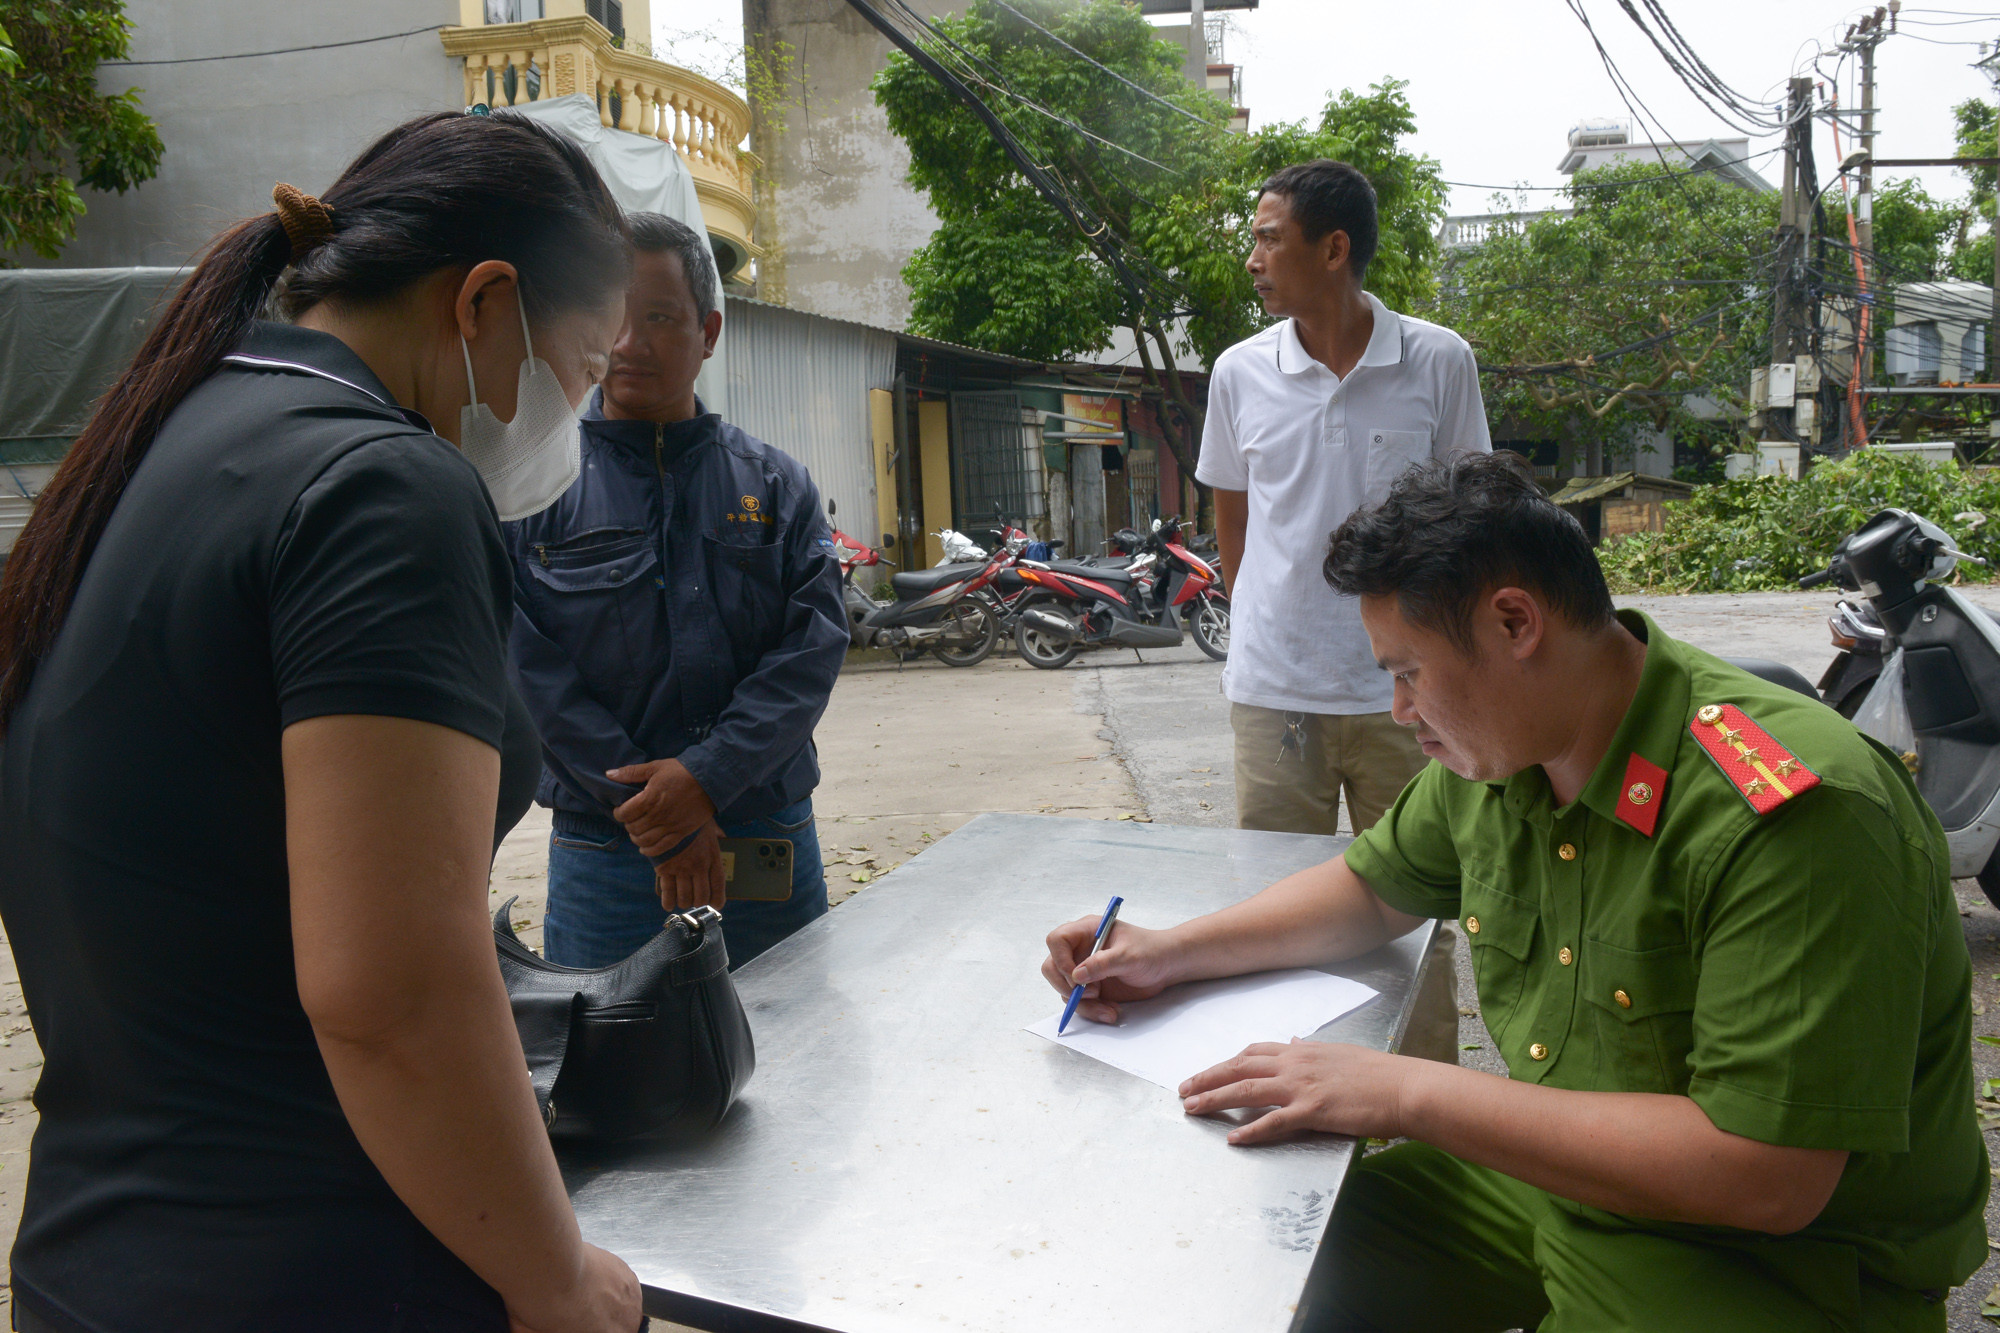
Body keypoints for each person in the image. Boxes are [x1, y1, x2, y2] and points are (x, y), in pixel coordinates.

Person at [1042, 453, 1988, 1331]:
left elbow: (1765, 1176)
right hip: (1554, 1180)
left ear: (1514, 622)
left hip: (1773, 1263)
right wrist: (1172, 951)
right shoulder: (1500, 751)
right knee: (1249, 1271)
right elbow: (1375, 890)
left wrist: (1407, 1090)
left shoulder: (1792, 811)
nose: (1401, 709)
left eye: (1409, 673)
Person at [0, 112, 645, 1332]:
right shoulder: (383, 488)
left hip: (99, 1255)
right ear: (484, 304)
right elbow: (389, 993)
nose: (580, 414)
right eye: (584, 366)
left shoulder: (154, 441)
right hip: (312, 1270)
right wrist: (555, 1278)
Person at [1193, 158, 1490, 1064]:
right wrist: (1269, 628)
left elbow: (1467, 513)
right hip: (1277, 696)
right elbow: (1233, 525)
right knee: (1271, 910)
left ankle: (1422, 1096)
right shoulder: (1241, 373)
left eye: (1267, 238)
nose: (1253, 258)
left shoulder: (1436, 360)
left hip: (1407, 698)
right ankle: (1283, 1072)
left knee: (1416, 912)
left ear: (1333, 248)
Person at [507, 211, 848, 971]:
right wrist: (659, 815)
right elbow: (525, 667)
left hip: (764, 840)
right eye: (617, 318)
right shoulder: (533, 489)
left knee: (800, 1059)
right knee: (608, 1073)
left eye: (659, 317)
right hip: (608, 856)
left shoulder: (777, 485)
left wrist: (707, 776)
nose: (630, 343)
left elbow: (813, 646)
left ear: (709, 331)